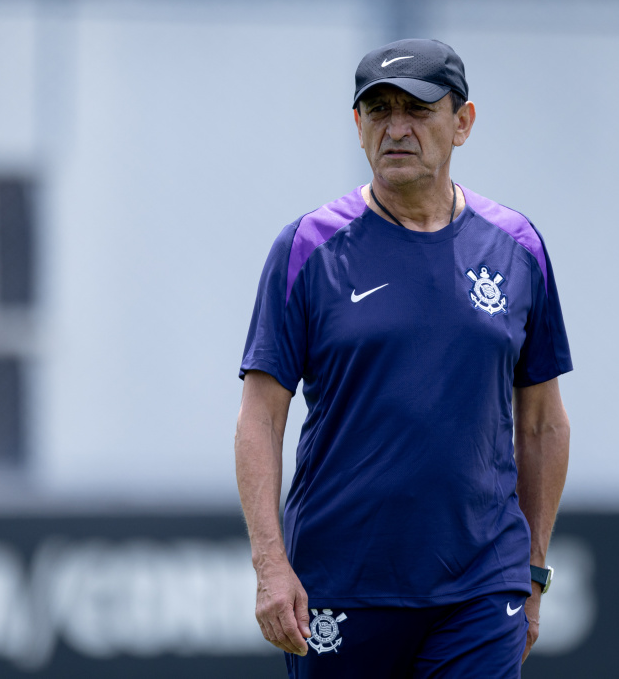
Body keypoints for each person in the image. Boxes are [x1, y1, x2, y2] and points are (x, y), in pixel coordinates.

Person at [235, 38, 571, 678]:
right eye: (379, 111)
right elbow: (259, 419)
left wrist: (531, 572)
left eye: (418, 110)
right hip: (341, 583)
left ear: (463, 122)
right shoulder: (307, 248)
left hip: (481, 585)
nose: (397, 129)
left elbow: (543, 424)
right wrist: (270, 565)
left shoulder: (517, 247)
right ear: (357, 126)